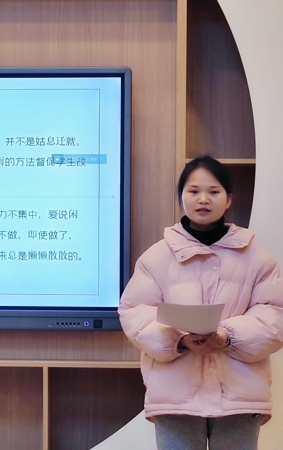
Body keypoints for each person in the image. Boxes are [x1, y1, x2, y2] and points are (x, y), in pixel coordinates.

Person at [118, 155, 283, 450]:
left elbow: (275, 314)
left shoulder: (258, 258)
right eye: (193, 191)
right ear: (181, 197)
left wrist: (227, 337)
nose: (203, 199)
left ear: (228, 199)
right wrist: (179, 339)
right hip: (175, 396)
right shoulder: (156, 257)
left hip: (238, 397)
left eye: (214, 191)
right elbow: (134, 312)